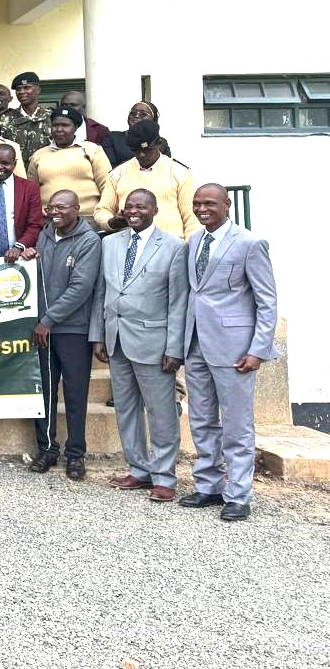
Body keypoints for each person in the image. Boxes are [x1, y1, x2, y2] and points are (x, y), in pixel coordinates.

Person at [179, 184, 279, 522]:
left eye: (209, 203)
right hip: (196, 345)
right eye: (197, 203)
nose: (201, 209)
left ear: (227, 205)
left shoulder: (250, 243)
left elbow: (267, 301)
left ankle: (238, 494)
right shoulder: (194, 241)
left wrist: (258, 349)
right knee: (202, 420)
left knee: (237, 425)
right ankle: (209, 486)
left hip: (235, 350)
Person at [89, 188, 187, 503]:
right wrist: (98, 335)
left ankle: (164, 477)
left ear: (155, 211)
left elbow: (178, 302)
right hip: (116, 339)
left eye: (141, 207)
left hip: (154, 344)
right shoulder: (109, 243)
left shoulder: (173, 247)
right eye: (129, 206)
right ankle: (139, 469)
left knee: (161, 413)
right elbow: (101, 292)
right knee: (126, 410)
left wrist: (175, 348)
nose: (133, 211)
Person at [25, 189, 101, 478]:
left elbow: (80, 288)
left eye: (62, 207)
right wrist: (28, 258)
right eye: (51, 207)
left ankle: (76, 454)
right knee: (44, 392)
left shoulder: (89, 241)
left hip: (73, 330)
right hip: (43, 330)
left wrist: (48, 319)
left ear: (77, 209)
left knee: (75, 393)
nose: (54, 212)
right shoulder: (44, 235)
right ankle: (47, 449)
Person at [95, 120, 200, 240]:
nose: (141, 155)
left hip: (171, 244)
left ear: (159, 144)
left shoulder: (180, 172)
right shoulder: (118, 174)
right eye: (136, 150)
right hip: (130, 243)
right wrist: (112, 222)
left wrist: (189, 246)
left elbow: (192, 218)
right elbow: (102, 211)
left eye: (147, 149)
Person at [26, 107, 111, 227]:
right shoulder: (39, 155)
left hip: (87, 219)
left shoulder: (92, 150)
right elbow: (31, 192)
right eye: (55, 125)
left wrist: (103, 215)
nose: (59, 129)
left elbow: (107, 186)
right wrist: (39, 211)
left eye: (65, 125)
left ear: (75, 128)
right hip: (51, 220)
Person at [0, 71, 54, 161]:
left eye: (27, 88)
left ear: (38, 90)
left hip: (44, 167)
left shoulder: (51, 117)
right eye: (18, 89)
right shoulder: (4, 119)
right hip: (15, 168)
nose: (22, 92)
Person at [101, 101, 160, 167]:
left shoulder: (160, 142)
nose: (136, 116)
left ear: (153, 120)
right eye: (133, 113)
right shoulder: (112, 138)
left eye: (143, 114)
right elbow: (109, 168)